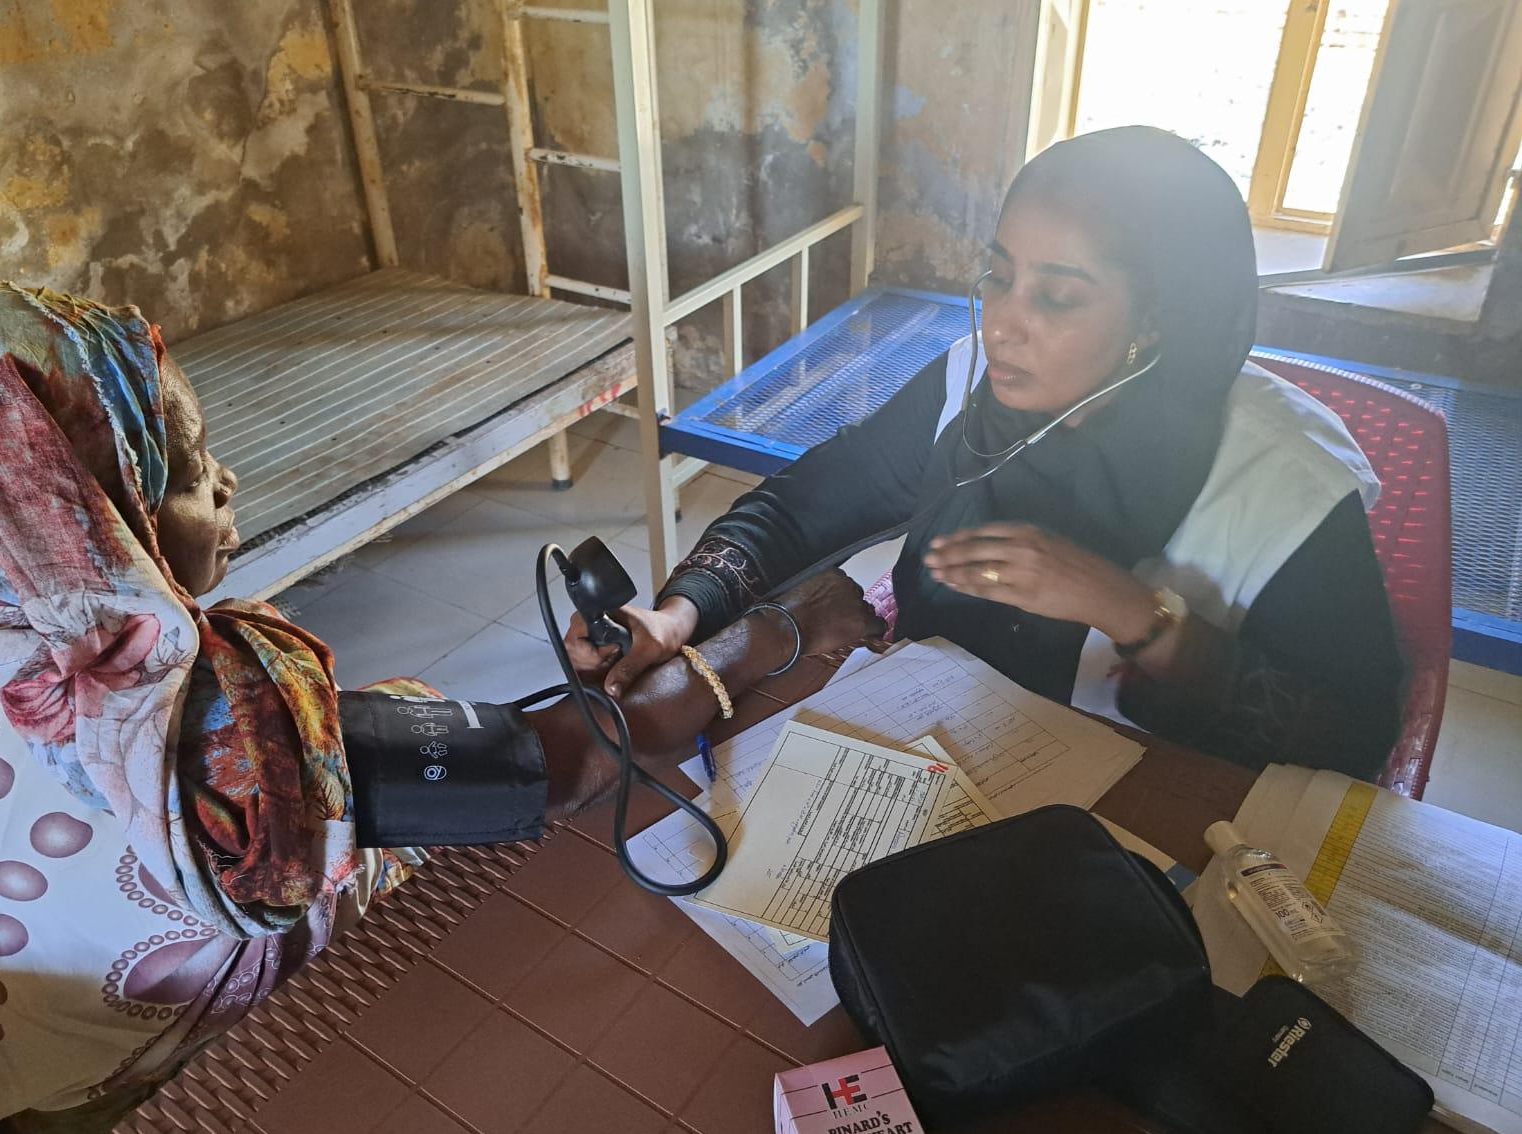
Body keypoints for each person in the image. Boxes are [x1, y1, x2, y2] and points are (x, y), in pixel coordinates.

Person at [0, 282, 880, 1134]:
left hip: (17, 1092)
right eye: (174, 469)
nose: (225, 481)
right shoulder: (220, 730)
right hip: (194, 1094)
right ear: (66, 510)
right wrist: (770, 637)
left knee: (402, 712)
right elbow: (567, 765)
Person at [569, 127, 1404, 779]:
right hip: (944, 742)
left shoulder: (1279, 487)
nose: (1003, 321)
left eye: (1058, 296)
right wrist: (677, 612)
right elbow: (808, 502)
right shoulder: (974, 382)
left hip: (1147, 798)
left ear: (1156, 321)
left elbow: (1355, 739)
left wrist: (1135, 616)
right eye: (998, 276)